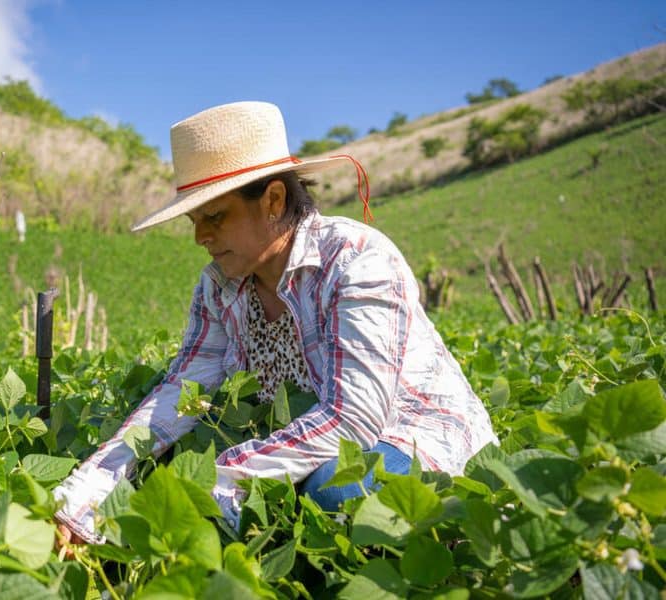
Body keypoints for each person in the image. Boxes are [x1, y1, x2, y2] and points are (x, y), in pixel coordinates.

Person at [52, 101, 498, 545]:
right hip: (310, 441)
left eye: (215, 216)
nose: (200, 237)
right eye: (194, 220)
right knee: (171, 469)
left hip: (415, 431)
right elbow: (180, 391)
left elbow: (354, 419)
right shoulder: (219, 287)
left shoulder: (355, 259)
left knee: (336, 490)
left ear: (274, 200)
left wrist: (217, 483)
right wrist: (91, 487)